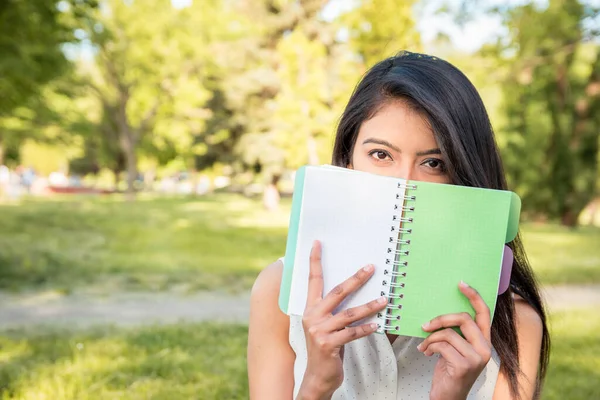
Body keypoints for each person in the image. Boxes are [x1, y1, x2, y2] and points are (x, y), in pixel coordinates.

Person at [248, 51, 549, 400]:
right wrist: (316, 384)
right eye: (380, 155)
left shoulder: (516, 322)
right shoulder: (278, 292)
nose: (405, 186)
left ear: (464, 177)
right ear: (348, 161)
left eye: (434, 163)